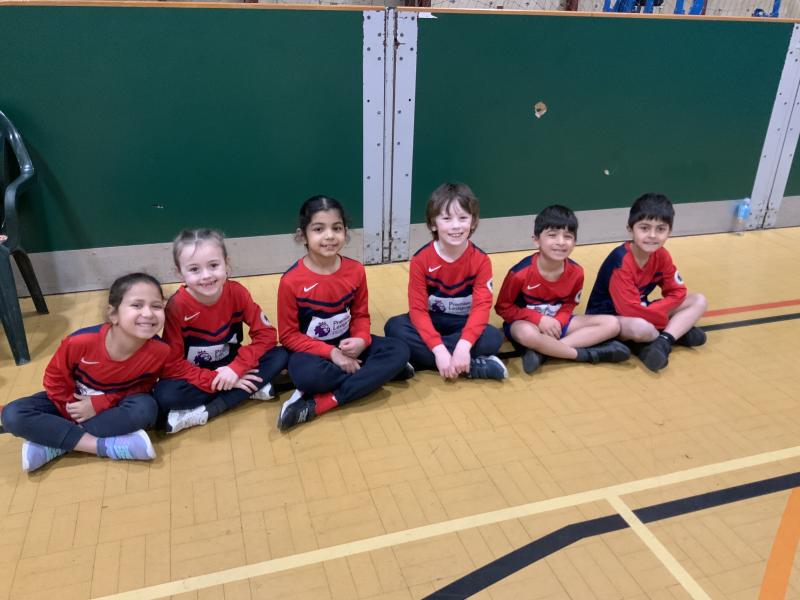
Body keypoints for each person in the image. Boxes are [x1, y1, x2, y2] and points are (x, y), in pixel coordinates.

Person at [0, 273, 179, 472]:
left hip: (114, 407)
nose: (148, 313)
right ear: (113, 314)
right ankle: (101, 446)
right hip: (71, 402)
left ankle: (54, 442)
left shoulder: (160, 351)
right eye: (137, 305)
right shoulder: (79, 342)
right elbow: (54, 380)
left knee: (146, 408)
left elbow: (144, 387)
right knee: (12, 414)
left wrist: (101, 403)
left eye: (156, 306)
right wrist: (71, 411)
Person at [276, 195, 411, 430]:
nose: (329, 236)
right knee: (308, 376)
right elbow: (288, 336)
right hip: (312, 354)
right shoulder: (291, 281)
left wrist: (361, 339)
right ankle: (375, 376)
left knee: (399, 350)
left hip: (350, 347)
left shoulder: (356, 270)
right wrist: (332, 354)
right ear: (302, 235)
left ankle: (324, 402)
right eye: (319, 229)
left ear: (345, 232)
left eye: (337, 228)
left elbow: (361, 315)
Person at [154, 229, 288, 433]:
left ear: (227, 264)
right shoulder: (176, 307)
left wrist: (236, 368)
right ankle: (245, 391)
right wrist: (213, 380)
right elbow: (172, 364)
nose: (206, 276)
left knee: (281, 355)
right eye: (194, 269)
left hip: (232, 365)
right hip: (196, 375)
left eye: (214, 265)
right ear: (179, 273)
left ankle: (209, 408)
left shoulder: (237, 292)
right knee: (164, 394)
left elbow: (267, 335)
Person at [384, 182, 507, 380]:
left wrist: (464, 346)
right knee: (394, 327)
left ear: (473, 222)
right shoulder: (421, 260)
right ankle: (470, 367)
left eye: (463, 218)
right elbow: (418, 310)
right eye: (447, 218)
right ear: (433, 223)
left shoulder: (481, 261)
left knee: (493, 337)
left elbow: (481, 308)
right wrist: (439, 350)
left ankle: (425, 359)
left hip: (462, 324)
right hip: (431, 320)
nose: (456, 226)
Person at [495, 205, 631, 374]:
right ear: (536, 240)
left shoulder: (577, 272)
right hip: (527, 324)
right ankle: (583, 355)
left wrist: (559, 321)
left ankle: (544, 352)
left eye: (568, 236)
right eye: (552, 235)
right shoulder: (519, 273)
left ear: (575, 242)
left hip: (558, 324)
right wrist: (539, 319)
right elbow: (503, 307)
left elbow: (569, 304)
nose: (561, 242)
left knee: (612, 324)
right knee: (526, 334)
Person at [586, 193, 707, 372]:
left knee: (699, 300)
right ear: (630, 229)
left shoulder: (662, 255)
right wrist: (663, 316)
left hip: (643, 309)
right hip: (610, 318)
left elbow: (678, 292)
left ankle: (663, 341)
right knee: (642, 328)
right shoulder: (620, 261)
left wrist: (657, 310)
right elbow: (628, 310)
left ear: (669, 232)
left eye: (661, 229)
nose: (652, 235)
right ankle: (670, 334)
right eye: (644, 228)